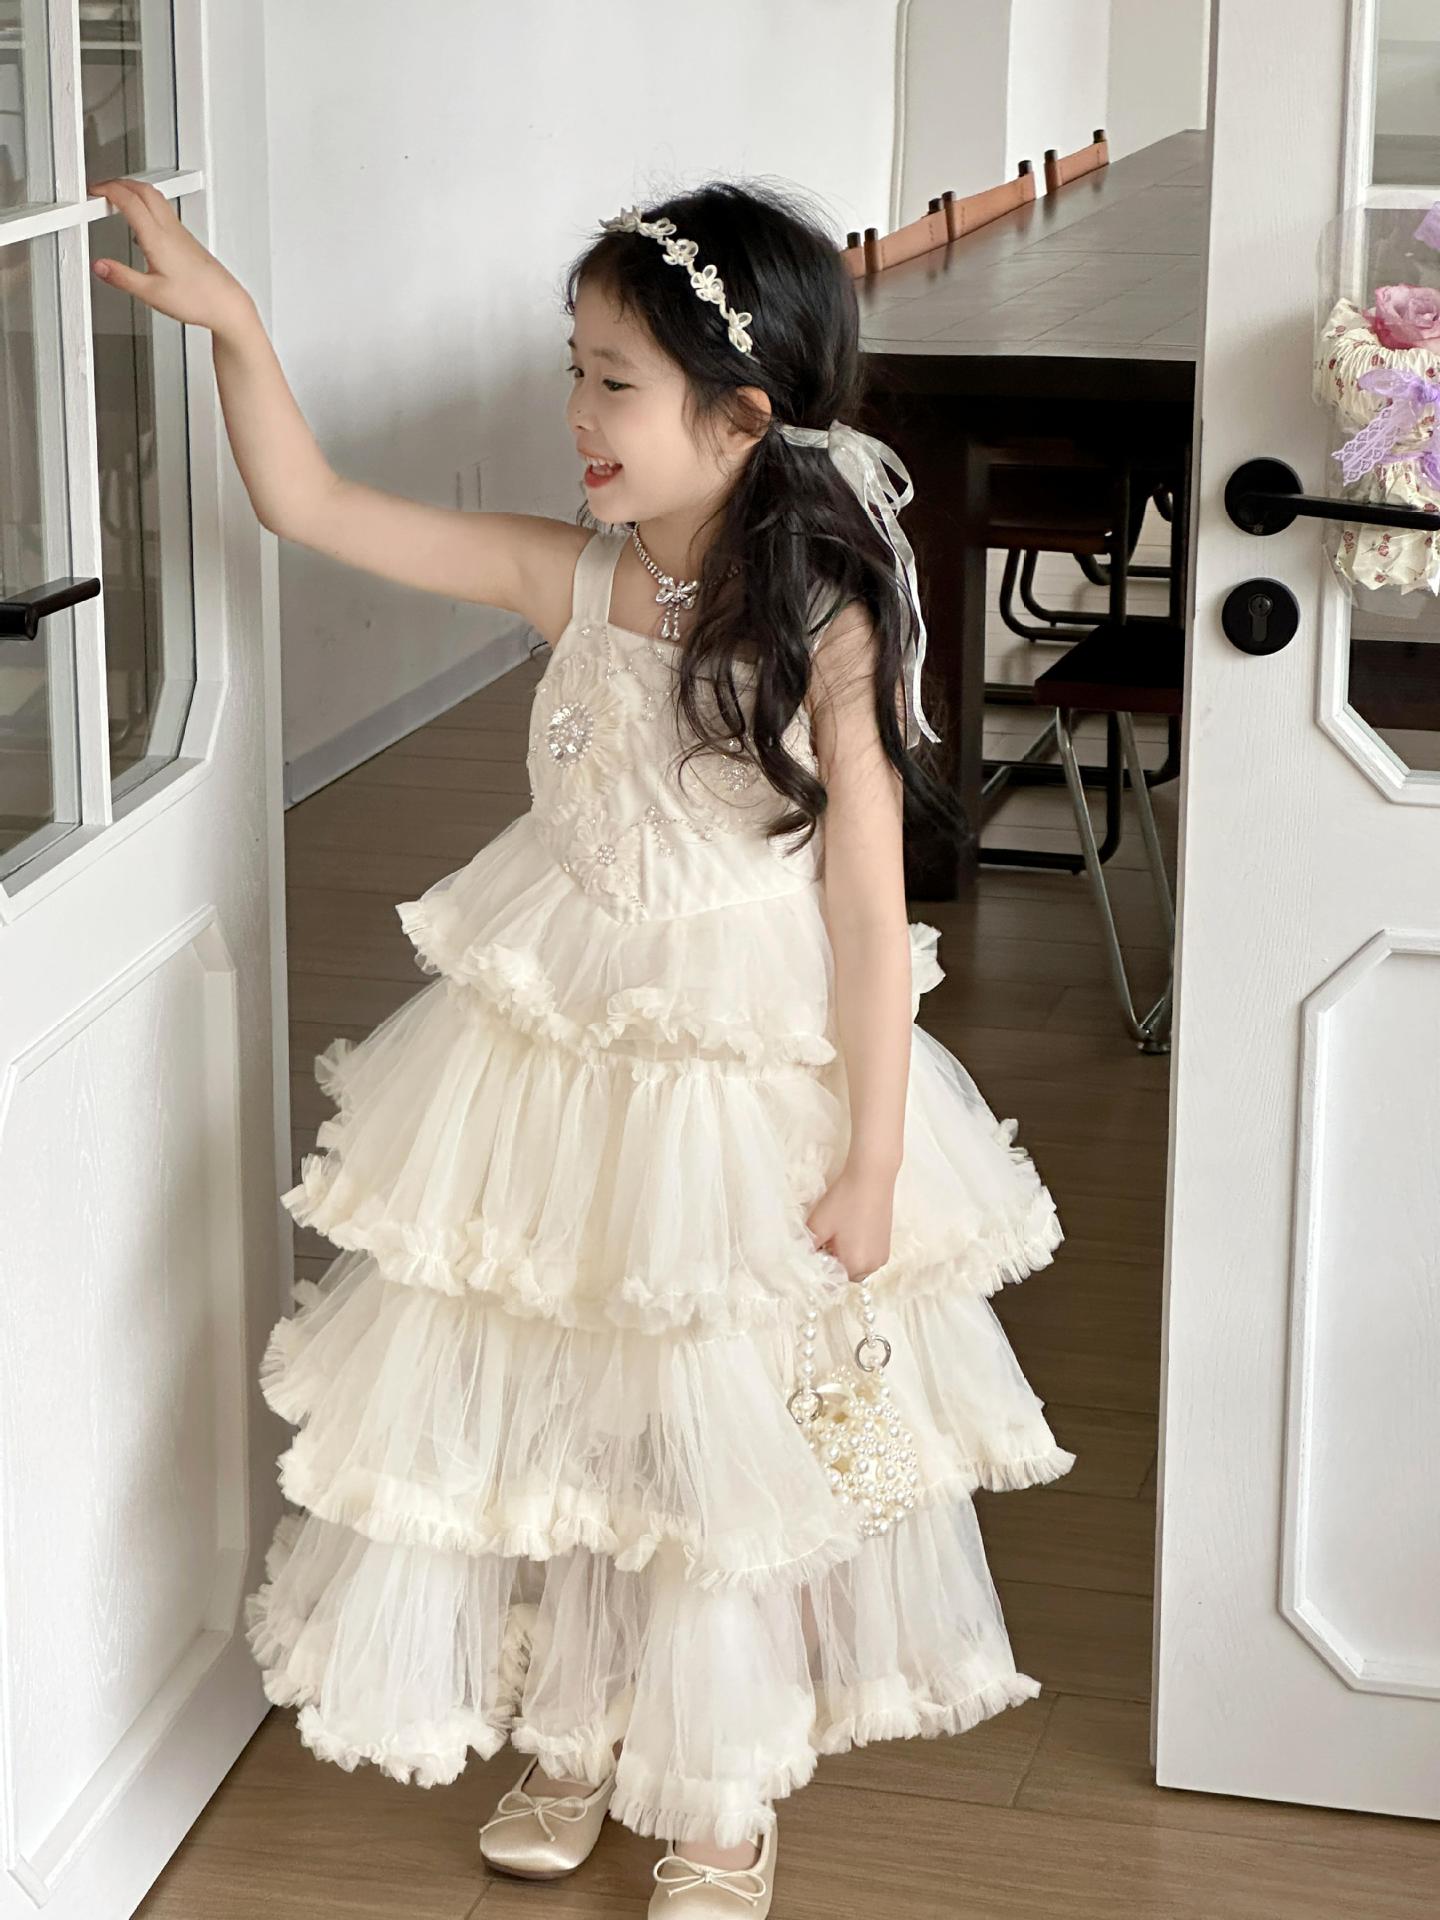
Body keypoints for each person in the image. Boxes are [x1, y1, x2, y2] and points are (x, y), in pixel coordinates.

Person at [89, 173, 1073, 1917]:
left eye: (614, 381)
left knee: (714, 1421)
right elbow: (310, 502)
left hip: (742, 1067)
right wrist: (235, 324)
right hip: (552, 1051)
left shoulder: (826, 625)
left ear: (741, 417)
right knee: (561, 1401)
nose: (578, 414)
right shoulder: (569, 578)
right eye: (577, 370)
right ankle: (578, 1715)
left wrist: (871, 1157)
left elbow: (864, 908)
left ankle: (718, 1780)